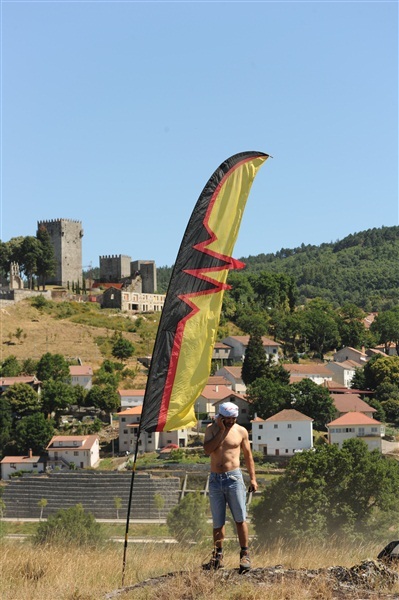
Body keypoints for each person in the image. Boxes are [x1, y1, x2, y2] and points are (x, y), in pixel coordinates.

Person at [202, 401, 258, 571]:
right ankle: (218, 556)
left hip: (233, 478)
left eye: (233, 419)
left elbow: (248, 456)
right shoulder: (211, 429)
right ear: (220, 417)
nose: (230, 422)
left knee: (240, 518)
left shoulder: (241, 431)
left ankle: (245, 555)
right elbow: (208, 449)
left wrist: (253, 479)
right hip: (215, 479)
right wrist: (221, 430)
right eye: (227, 419)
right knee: (218, 521)